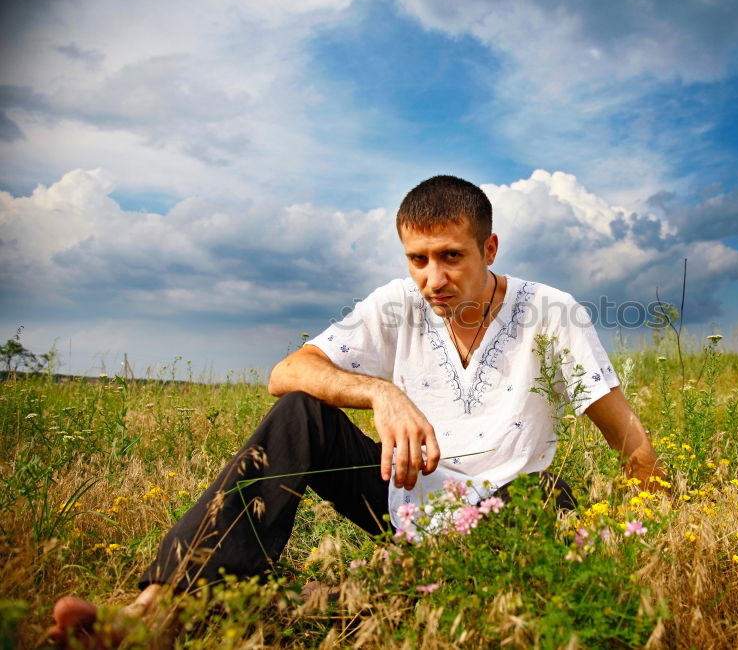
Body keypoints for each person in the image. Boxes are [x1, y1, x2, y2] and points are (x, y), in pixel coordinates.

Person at [46, 175, 663, 647]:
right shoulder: (398, 303)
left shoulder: (551, 312)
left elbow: (627, 438)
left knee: (545, 492)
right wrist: (380, 393)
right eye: (417, 259)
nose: (433, 278)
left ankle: (358, 596)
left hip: (511, 509)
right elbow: (286, 371)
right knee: (299, 413)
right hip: (408, 492)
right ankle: (155, 612)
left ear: (490, 247)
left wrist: (659, 541)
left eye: (451, 256)